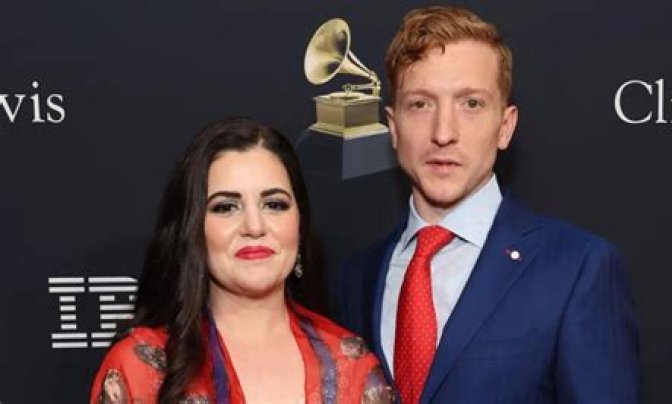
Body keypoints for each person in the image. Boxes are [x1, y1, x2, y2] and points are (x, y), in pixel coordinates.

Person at [334, 6, 640, 404]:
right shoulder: (356, 278)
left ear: (505, 126)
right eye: (421, 105)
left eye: (471, 104)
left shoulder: (578, 269)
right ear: (393, 128)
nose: (444, 132)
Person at [91, 118, 394, 403]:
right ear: (193, 228)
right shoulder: (143, 367)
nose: (254, 226)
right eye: (226, 207)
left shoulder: (351, 365)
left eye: (274, 204)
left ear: (300, 225)